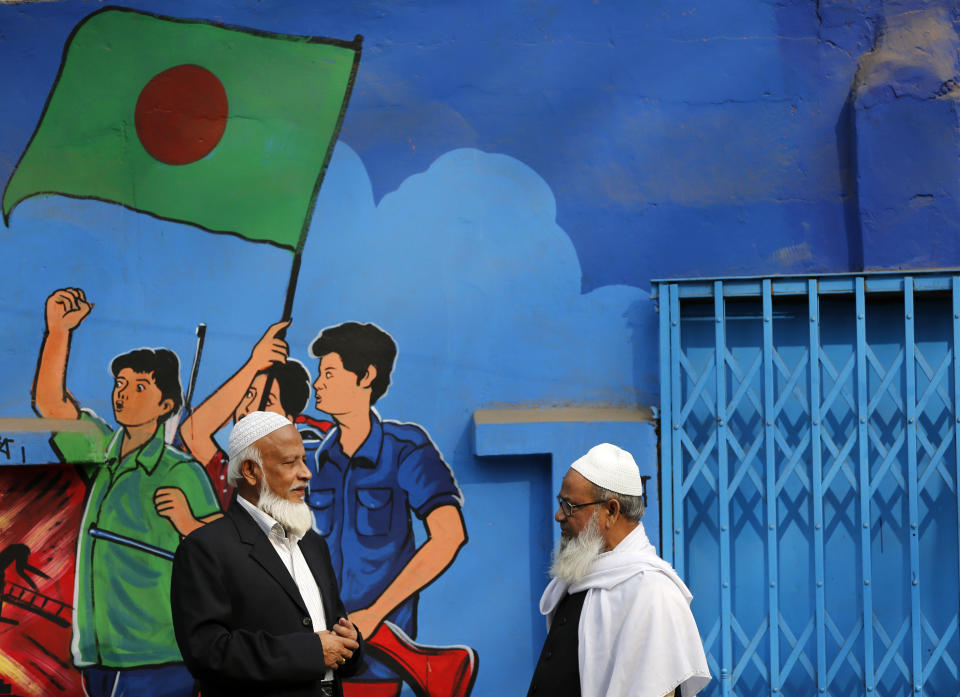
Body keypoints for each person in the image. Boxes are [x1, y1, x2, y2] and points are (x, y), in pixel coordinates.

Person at [33, 287, 221, 697]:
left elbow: (224, 543)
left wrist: (189, 523)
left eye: (139, 387)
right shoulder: (102, 449)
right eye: (121, 382)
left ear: (166, 405)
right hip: (98, 654)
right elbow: (51, 404)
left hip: (157, 657)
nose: (123, 392)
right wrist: (58, 331)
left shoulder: (180, 469)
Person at [308, 322, 475, 697]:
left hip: (376, 661)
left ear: (366, 376)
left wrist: (374, 614)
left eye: (329, 373)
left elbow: (449, 536)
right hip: (312, 658)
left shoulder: (405, 449)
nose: (317, 384)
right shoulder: (309, 461)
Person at [171, 410, 364, 697]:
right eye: (290, 462)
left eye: (304, 459)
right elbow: (208, 653)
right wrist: (312, 651)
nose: (306, 473)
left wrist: (351, 644)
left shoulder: (312, 544)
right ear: (250, 471)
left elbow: (332, 629)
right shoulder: (205, 549)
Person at [527, 443, 711, 697]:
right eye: (561, 503)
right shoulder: (584, 579)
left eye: (570, 506)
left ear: (611, 511)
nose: (559, 515)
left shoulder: (652, 593)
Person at [179, 319, 313, 508]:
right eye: (248, 394)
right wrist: (254, 364)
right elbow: (192, 433)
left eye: (267, 400)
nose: (249, 406)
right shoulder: (234, 476)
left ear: (289, 421)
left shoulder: (299, 476)